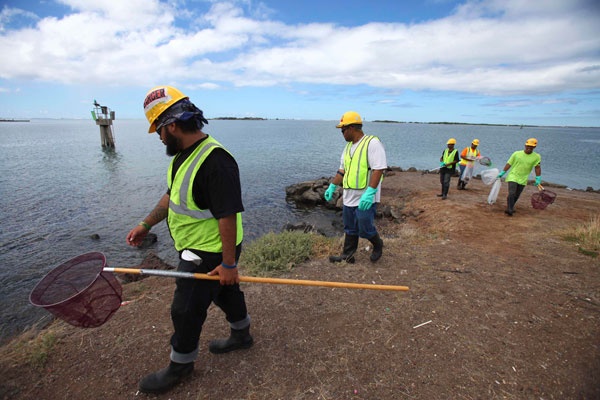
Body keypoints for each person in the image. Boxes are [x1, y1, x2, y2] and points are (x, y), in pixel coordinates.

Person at [126, 86, 253, 394]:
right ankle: (242, 334)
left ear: (172, 126)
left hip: (207, 251)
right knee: (224, 291)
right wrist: (146, 223)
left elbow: (227, 215)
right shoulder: (184, 156)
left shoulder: (216, 161)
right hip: (202, 249)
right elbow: (173, 197)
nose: (158, 137)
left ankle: (180, 366)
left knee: (184, 309)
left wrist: (227, 262)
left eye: (158, 130)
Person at [323, 111, 387, 263]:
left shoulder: (372, 143)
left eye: (343, 129)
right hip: (349, 195)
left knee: (364, 227)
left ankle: (378, 244)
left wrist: (370, 192)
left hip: (366, 197)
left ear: (351, 128)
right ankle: (348, 256)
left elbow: (379, 169)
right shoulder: (347, 148)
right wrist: (332, 186)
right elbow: (342, 171)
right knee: (350, 228)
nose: (341, 133)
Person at [497, 138, 542, 216]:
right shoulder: (516, 154)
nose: (529, 148)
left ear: (534, 147)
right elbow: (509, 163)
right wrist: (503, 172)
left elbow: (537, 167)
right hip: (513, 176)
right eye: (528, 146)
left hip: (523, 178)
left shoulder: (536, 157)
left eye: (531, 147)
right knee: (512, 193)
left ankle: (510, 206)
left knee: (517, 195)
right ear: (525, 145)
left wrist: (538, 178)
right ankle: (510, 209)